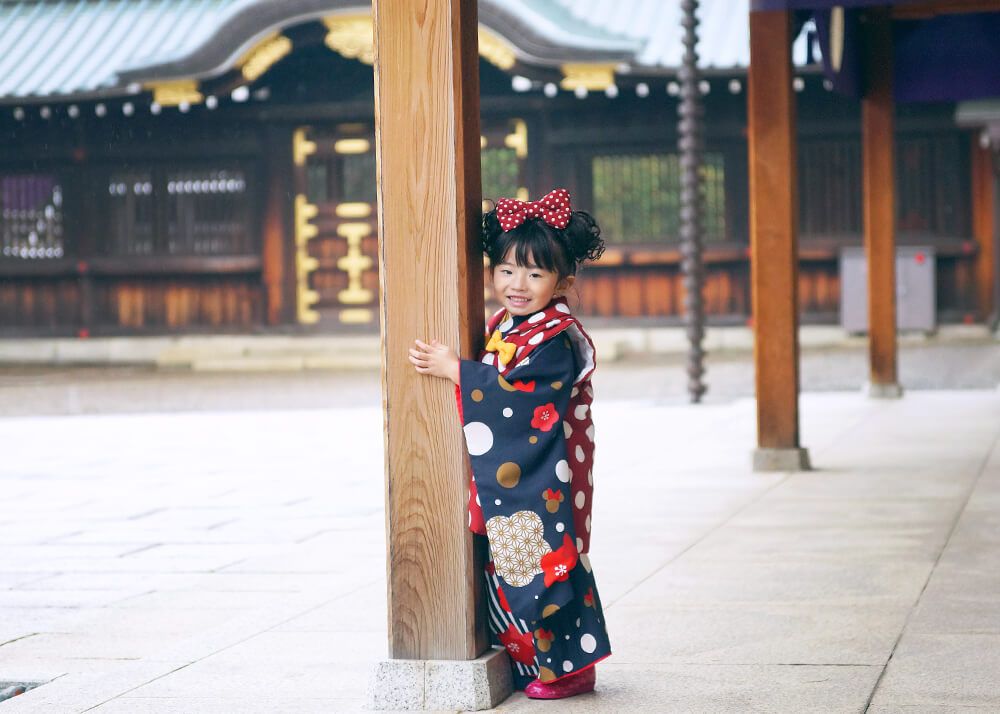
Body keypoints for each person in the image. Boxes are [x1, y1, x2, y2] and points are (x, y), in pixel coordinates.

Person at [408, 188, 611, 699]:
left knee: (546, 557)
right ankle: (533, 661)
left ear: (562, 282)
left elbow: (523, 404)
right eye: (505, 270)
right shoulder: (508, 325)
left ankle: (567, 669)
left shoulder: (554, 335)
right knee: (512, 557)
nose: (516, 285)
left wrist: (457, 370)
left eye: (535, 274)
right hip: (521, 470)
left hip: (546, 467)